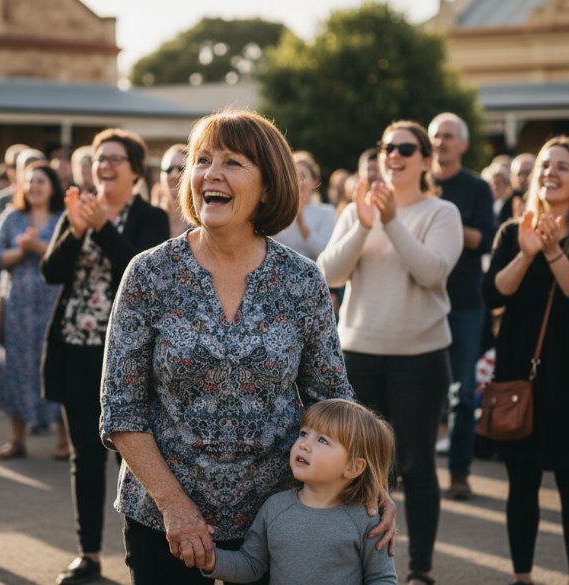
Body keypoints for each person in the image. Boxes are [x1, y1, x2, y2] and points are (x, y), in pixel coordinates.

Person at [100, 110, 395, 585]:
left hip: (278, 517)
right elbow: (121, 408)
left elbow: (332, 398)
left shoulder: (302, 280)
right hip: (163, 518)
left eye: (232, 162)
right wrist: (174, 506)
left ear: (268, 186)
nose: (210, 174)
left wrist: (370, 483)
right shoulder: (149, 274)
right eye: (202, 160)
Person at [320, 119, 462, 585]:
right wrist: (364, 225)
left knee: (416, 466)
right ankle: (358, 568)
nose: (394, 155)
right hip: (359, 353)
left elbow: (432, 272)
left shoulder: (441, 212)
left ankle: (420, 569)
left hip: (421, 356)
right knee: (356, 470)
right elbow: (329, 274)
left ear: (426, 160)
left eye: (405, 148)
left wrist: (392, 222)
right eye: (387, 147)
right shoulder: (356, 210)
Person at [482, 135, 569, 585]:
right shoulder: (511, 232)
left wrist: (554, 250)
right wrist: (527, 252)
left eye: (561, 167)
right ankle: (522, 578)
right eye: (544, 165)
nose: (549, 173)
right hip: (519, 374)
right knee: (522, 485)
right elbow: (492, 295)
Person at [42, 128, 170, 584]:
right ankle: (89, 553)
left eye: (116, 158)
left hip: (127, 355)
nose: (105, 166)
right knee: (85, 456)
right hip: (76, 348)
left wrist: (102, 230)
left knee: (132, 458)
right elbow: (51, 271)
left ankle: (140, 553)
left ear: (135, 171)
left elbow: (143, 274)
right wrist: (78, 230)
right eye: (99, 158)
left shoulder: (151, 218)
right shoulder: (78, 211)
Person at [199, 399, 397, 585]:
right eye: (304, 433)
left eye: (322, 440)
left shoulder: (366, 519)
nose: (304, 444)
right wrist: (210, 558)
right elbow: (251, 564)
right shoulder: (274, 507)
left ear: (353, 467)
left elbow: (381, 578)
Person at [428, 112, 496, 502]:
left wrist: (444, 221)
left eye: (449, 136)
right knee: (419, 390)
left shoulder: (476, 188)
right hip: (422, 299)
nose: (442, 142)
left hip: (465, 302)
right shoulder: (420, 183)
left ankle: (459, 473)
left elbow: (485, 240)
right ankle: (409, 471)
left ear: (464, 144)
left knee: (463, 393)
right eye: (437, 135)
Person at [0, 162, 67, 459]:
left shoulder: (63, 218)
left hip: (53, 304)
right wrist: (21, 251)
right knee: (16, 368)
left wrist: (38, 247)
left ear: (52, 187)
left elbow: (69, 257)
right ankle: (17, 438)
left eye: (41, 181)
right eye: (30, 181)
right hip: (18, 307)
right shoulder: (11, 217)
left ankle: (64, 439)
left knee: (56, 368)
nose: (34, 186)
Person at [271, 151, 336, 261]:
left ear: (314, 181)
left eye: (303, 176)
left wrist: (301, 223)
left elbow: (325, 252)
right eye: (293, 175)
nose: (298, 182)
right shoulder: (277, 210)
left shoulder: (327, 212)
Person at [158, 143, 190, 236]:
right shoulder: (150, 218)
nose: (173, 175)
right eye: (168, 170)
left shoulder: (202, 221)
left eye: (181, 169)